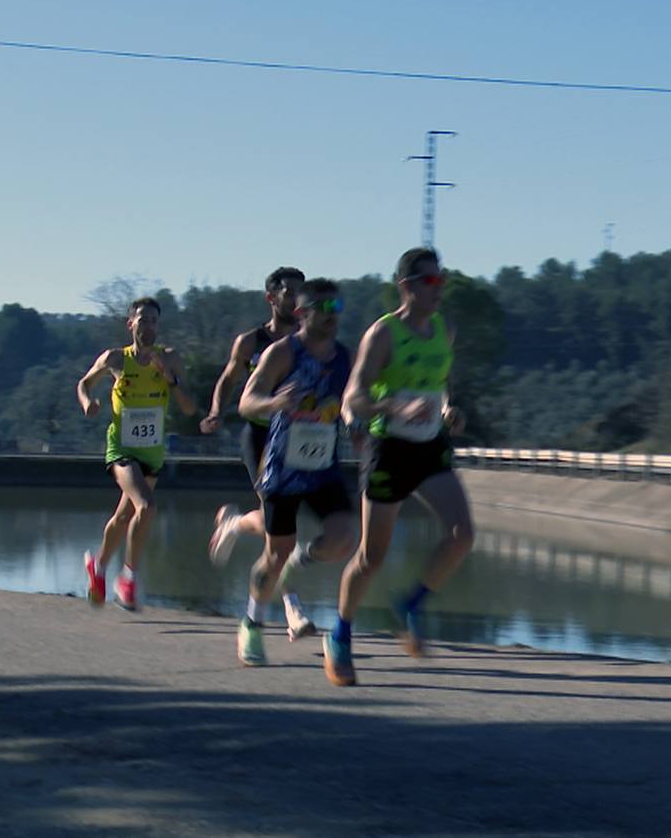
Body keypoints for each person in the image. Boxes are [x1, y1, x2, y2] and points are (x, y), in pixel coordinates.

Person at [323, 248, 474, 686]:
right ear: (406, 286)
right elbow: (354, 397)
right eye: (429, 281)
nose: (438, 289)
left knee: (463, 535)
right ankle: (340, 635)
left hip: (430, 448)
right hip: (387, 447)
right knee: (371, 557)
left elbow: (440, 384)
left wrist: (449, 411)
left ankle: (411, 603)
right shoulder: (383, 334)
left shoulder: (444, 329)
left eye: (441, 280)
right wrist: (394, 405)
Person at [215, 278, 359, 666]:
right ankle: (252, 622)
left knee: (344, 538)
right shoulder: (282, 353)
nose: (333, 317)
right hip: (282, 469)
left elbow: (355, 400)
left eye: (338, 308)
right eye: (324, 309)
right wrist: (274, 401)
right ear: (302, 313)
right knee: (272, 555)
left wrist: (358, 424)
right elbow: (246, 402)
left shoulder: (346, 357)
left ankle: (298, 562)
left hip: (323, 466)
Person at [201, 267, 315, 641]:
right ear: (271, 298)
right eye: (288, 293)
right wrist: (217, 409)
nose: (295, 299)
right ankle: (292, 608)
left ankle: (233, 523)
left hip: (297, 438)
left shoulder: (308, 341)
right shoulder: (251, 342)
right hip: (261, 437)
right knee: (279, 528)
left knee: (279, 526)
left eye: (301, 293)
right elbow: (229, 378)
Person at [76, 296, 196, 611]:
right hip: (122, 448)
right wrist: (88, 402)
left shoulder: (169, 359)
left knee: (125, 515)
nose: (148, 326)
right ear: (131, 324)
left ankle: (98, 566)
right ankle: (127, 578)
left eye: (154, 321)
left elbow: (188, 407)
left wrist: (170, 379)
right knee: (147, 506)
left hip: (153, 454)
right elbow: (84, 384)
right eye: (142, 320)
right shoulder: (116, 359)